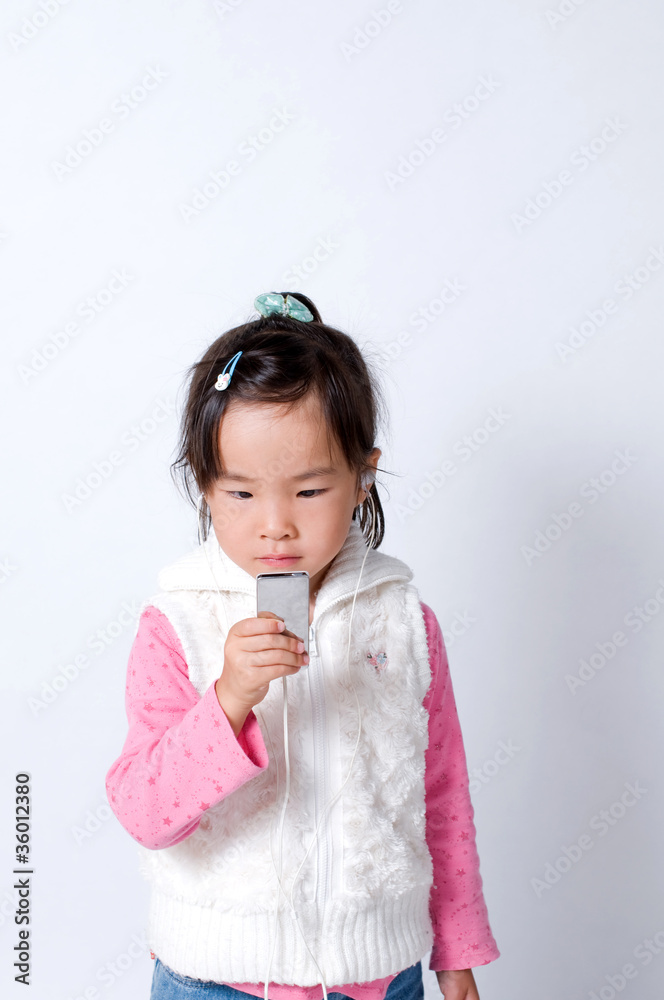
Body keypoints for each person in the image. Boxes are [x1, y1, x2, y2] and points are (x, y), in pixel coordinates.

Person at [105, 291, 500, 1000]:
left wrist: (457, 950)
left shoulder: (403, 620)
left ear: (362, 477)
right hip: (217, 979)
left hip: (382, 974)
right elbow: (143, 810)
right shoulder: (178, 622)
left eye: (309, 491)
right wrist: (228, 699)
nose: (276, 525)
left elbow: (440, 794)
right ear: (204, 488)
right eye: (242, 494)